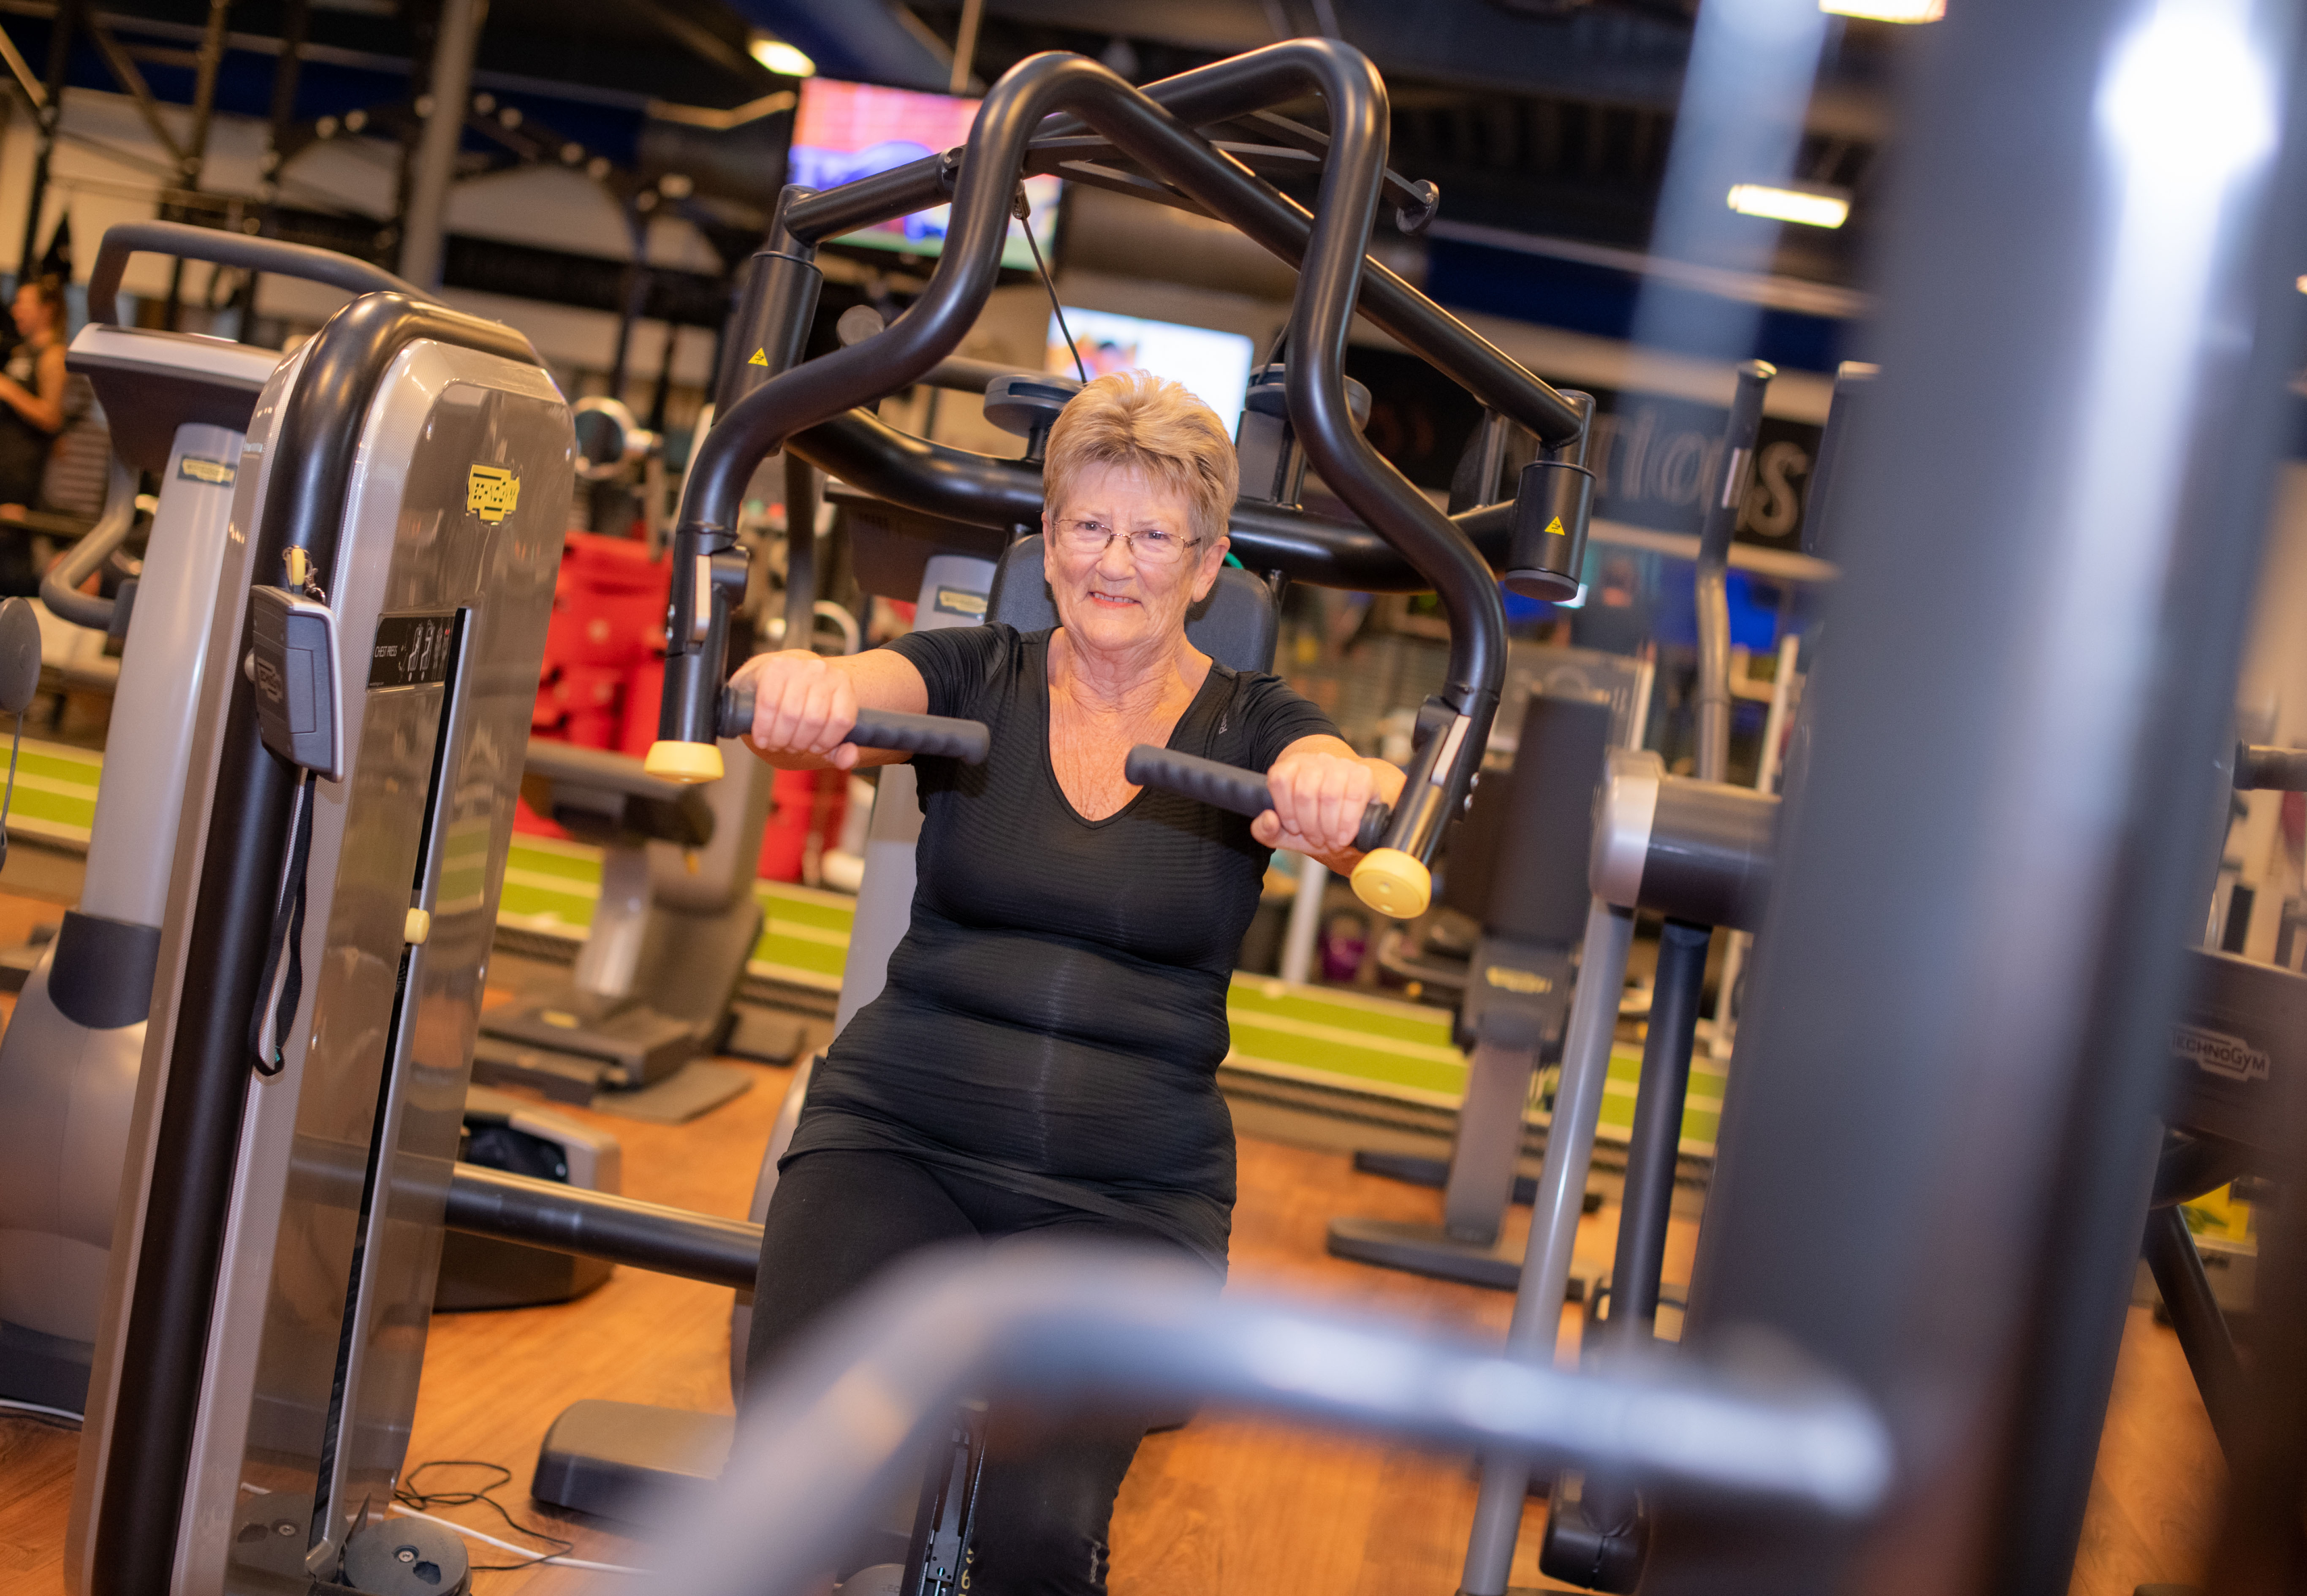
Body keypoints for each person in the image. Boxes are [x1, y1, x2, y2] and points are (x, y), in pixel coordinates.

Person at [735, 370, 1403, 1594]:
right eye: (1090, 526)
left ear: (1207, 567)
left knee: (1039, 1543)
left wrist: (1334, 788)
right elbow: (871, 681)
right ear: (1048, 543)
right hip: (901, 1136)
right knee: (787, 1481)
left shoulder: (1253, 718)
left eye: (1154, 536)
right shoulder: (980, 669)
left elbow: (1342, 781)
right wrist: (809, 681)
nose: (1117, 561)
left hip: (1129, 1194)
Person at [0, 276, 68, 596]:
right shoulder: (20, 353)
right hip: (7, 471)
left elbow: (52, 417)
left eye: (24, 304)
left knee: (12, 567)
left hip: (23, 482)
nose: (16, 311)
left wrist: (10, 392)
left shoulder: (53, 357)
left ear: (47, 310)